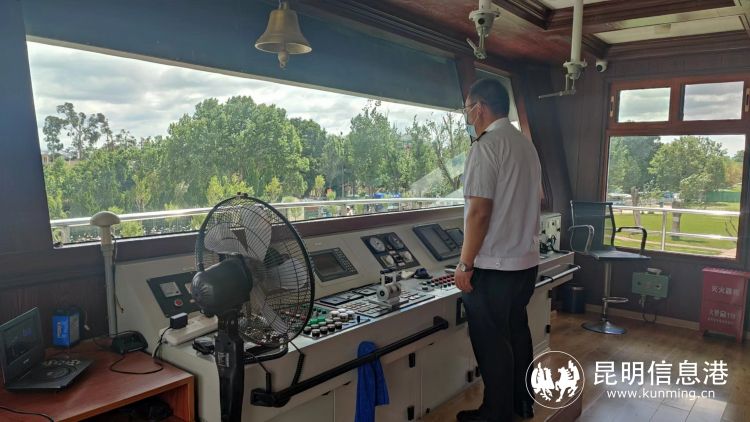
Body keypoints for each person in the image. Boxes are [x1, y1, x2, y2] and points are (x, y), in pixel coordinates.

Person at [454, 78, 542, 422]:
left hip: (494, 266)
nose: (467, 116)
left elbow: (479, 212)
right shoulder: (525, 145)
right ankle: (522, 404)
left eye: (467, 109)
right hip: (525, 263)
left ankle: (496, 414)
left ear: (480, 108)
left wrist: (465, 264)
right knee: (517, 331)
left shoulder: (486, 146)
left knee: (491, 341)